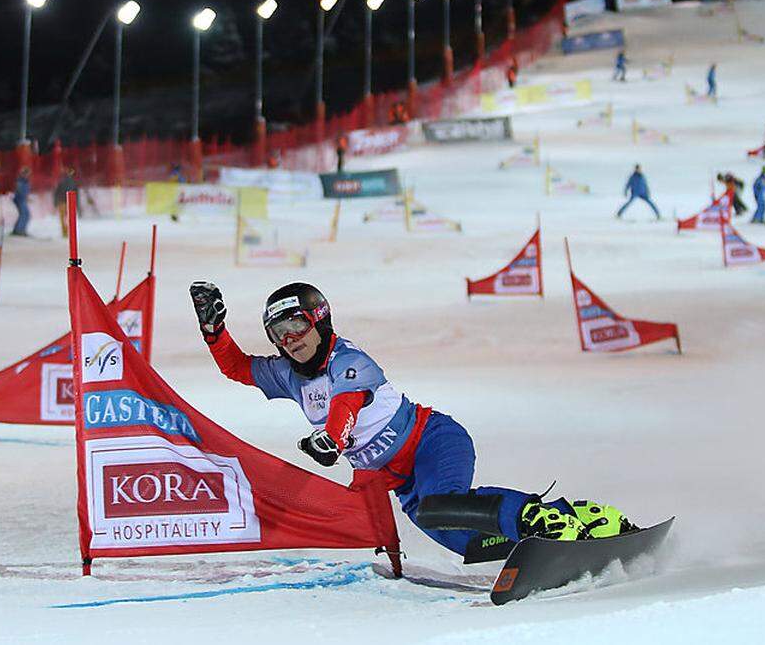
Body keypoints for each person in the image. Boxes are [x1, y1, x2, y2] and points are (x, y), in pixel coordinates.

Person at [188, 282, 641, 555]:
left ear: (320, 321)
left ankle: (566, 521)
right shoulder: (288, 374)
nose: (290, 341)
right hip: (400, 482)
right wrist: (214, 330)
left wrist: (330, 441)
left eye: (298, 327)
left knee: (444, 503)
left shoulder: (349, 359)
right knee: (459, 537)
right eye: (279, 335)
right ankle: (530, 541)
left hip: (432, 441)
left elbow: (346, 406)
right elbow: (237, 367)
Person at [53, 167, 79, 239]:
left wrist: (56, 202)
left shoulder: (62, 180)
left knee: (64, 218)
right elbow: (76, 193)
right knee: (67, 218)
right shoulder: (72, 182)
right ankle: (66, 232)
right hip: (66, 201)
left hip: (63, 201)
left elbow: (56, 192)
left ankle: (65, 232)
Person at [12, 167, 32, 236]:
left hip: (22, 199)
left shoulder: (25, 181)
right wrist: (24, 197)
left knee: (25, 214)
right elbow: (19, 191)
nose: (27, 175)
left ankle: (19, 229)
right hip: (20, 200)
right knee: (24, 214)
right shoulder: (20, 181)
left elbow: (25, 191)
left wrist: (27, 197)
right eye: (26, 174)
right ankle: (19, 230)